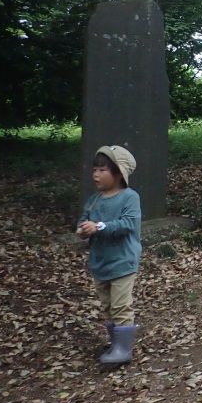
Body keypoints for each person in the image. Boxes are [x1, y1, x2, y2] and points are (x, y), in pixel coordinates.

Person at [76, 145, 142, 366]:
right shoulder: (94, 200)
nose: (96, 174)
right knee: (107, 306)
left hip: (123, 261)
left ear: (119, 173)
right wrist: (82, 230)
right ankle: (116, 343)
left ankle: (123, 350)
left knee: (121, 305)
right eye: (94, 169)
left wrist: (99, 226)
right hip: (100, 262)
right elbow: (84, 220)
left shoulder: (129, 197)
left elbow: (128, 223)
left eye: (102, 170)